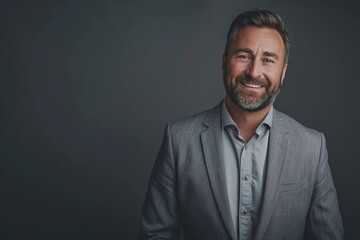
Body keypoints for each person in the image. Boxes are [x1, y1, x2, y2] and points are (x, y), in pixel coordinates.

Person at [138, 9, 343, 240]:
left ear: (283, 72)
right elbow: (156, 235)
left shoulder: (311, 148)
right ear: (224, 62)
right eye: (243, 56)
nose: (254, 71)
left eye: (268, 60)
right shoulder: (179, 140)